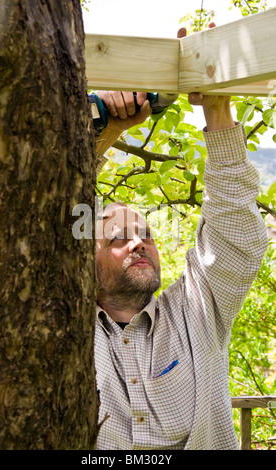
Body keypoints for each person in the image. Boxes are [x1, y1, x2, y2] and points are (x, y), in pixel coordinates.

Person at [92, 33, 268, 451]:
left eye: (146, 234)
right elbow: (46, 204)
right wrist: (107, 127)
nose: (139, 244)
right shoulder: (58, 324)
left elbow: (235, 231)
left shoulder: (196, 310)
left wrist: (216, 104)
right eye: (118, 237)